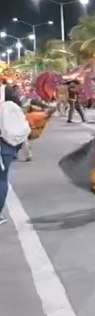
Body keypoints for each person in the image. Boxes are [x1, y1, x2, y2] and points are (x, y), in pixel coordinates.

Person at [0, 84, 32, 225]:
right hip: (7, 146)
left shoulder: (4, 107)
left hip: (4, 145)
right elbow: (23, 129)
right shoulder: (13, 107)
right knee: (2, 179)